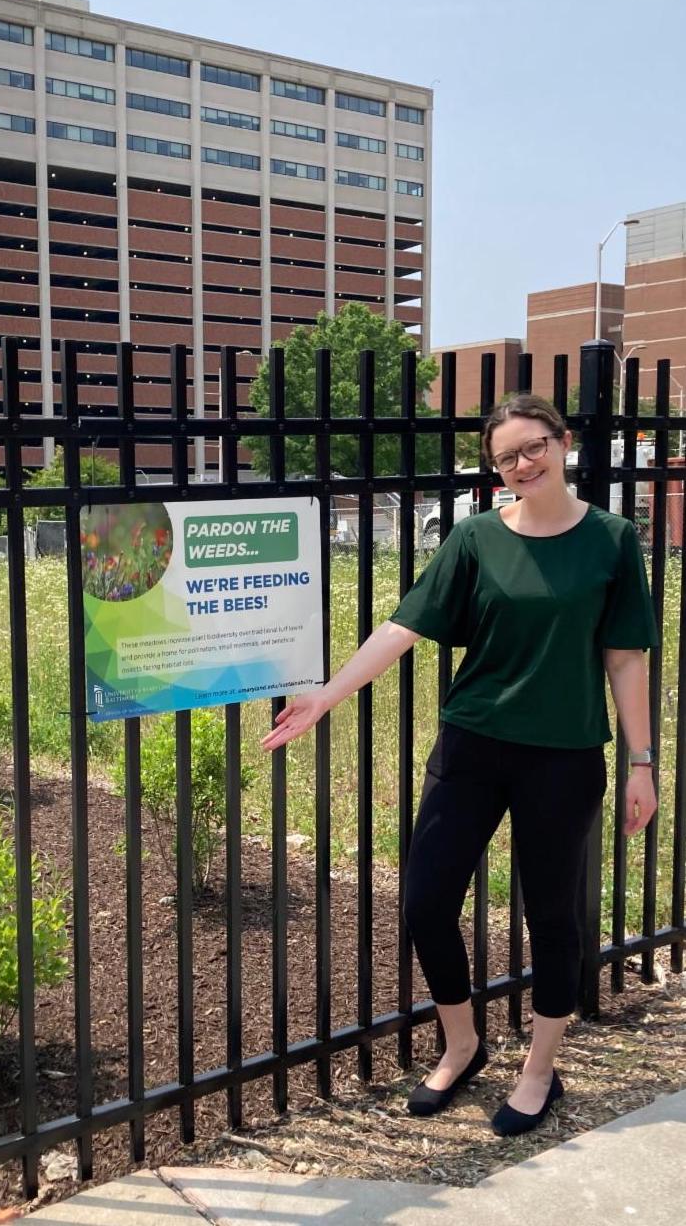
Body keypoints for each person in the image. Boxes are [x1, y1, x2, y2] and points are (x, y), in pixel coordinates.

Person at [262, 394, 659, 1136]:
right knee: (425, 901)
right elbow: (405, 623)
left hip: (564, 756)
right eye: (506, 457)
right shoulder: (475, 538)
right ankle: (463, 1042)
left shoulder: (611, 540)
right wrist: (327, 695)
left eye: (533, 447)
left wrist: (644, 763)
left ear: (563, 442)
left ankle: (540, 1069)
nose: (522, 465)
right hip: (472, 744)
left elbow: (625, 658)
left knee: (551, 915)